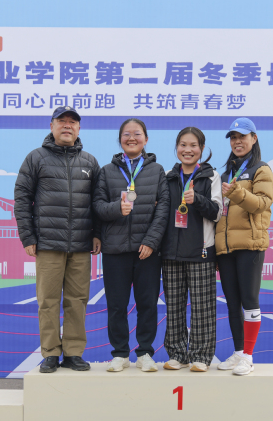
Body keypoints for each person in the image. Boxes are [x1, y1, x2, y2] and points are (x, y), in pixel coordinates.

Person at [14, 106, 102, 374]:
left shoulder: (89, 162)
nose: (67, 125)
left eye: (72, 122)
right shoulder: (36, 158)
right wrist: (28, 236)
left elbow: (98, 202)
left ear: (79, 128)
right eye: (61, 121)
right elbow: (22, 200)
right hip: (48, 243)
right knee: (48, 300)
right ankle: (51, 352)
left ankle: (73, 352)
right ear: (51, 126)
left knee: (78, 300)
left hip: (80, 245)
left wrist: (97, 234)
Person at [93, 118, 170, 372]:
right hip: (114, 250)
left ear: (146, 139)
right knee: (116, 306)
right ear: (120, 140)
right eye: (126, 134)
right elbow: (97, 206)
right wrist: (117, 208)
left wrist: (151, 241)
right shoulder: (106, 171)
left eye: (137, 134)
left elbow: (163, 210)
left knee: (147, 304)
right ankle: (120, 354)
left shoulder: (157, 170)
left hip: (146, 251)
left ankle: (145, 352)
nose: (132, 138)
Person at [215, 117, 273, 376]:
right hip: (226, 247)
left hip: (250, 244)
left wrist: (236, 193)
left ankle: (248, 356)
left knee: (249, 300)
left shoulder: (262, 169)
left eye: (242, 136)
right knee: (232, 303)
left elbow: (262, 204)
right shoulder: (225, 173)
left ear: (254, 138)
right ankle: (238, 352)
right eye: (233, 137)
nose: (237, 142)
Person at [161, 127, 222, 372]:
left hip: (201, 252)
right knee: (174, 307)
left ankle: (201, 356)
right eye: (183, 145)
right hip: (171, 253)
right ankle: (177, 354)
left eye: (193, 145)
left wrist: (197, 199)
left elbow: (217, 212)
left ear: (202, 149)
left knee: (202, 308)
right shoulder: (168, 176)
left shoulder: (211, 176)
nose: (188, 150)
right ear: (176, 148)